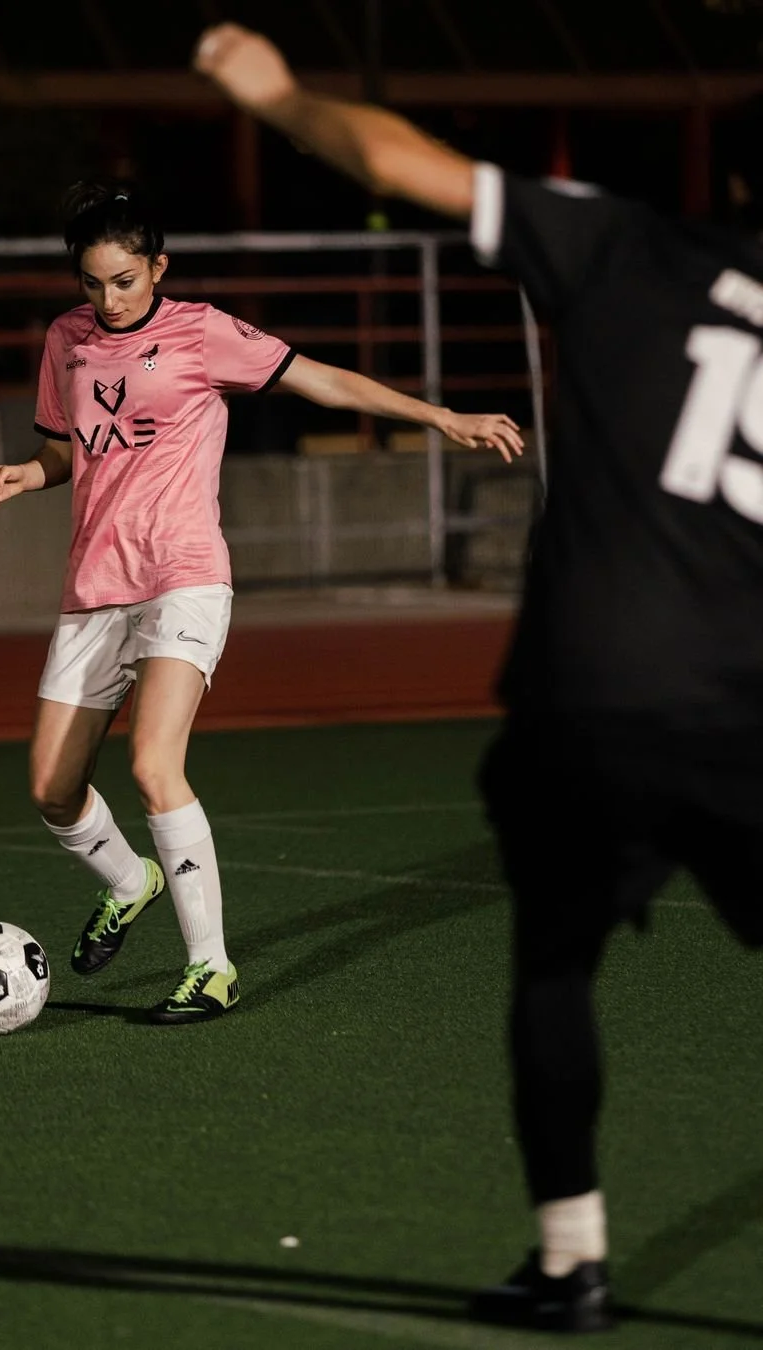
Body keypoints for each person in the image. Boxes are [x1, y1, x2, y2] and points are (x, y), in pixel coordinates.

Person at [195, 21, 763, 1335]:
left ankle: (570, 1262)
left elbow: (410, 158)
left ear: (729, 180)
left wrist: (278, 97)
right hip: (749, 700)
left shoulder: (623, 243)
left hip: (595, 685)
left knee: (555, 964)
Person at [0, 181, 523, 1026]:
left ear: (158, 266)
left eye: (124, 279)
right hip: (95, 585)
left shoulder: (201, 331)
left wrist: (440, 416)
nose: (108, 299)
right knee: (50, 787)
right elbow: (64, 448)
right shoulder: (66, 341)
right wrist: (25, 474)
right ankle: (130, 881)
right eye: (92, 282)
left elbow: (323, 381)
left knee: (155, 766)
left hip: (185, 572)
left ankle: (211, 969)